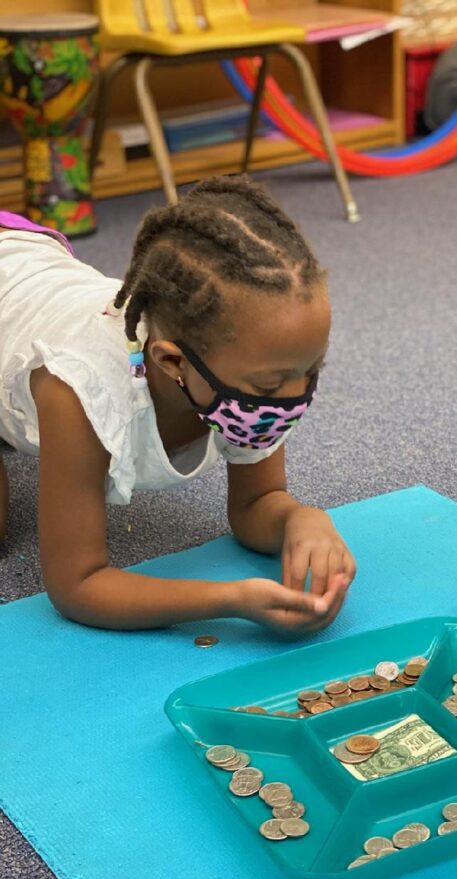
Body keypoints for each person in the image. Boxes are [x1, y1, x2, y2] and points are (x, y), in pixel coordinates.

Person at [0, 176, 355, 633]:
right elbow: (77, 585)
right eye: (270, 387)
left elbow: (257, 503)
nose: (294, 399)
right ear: (173, 361)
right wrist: (231, 599)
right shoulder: (79, 389)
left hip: (28, 276)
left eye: (312, 370)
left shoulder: (252, 367)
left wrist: (302, 520)